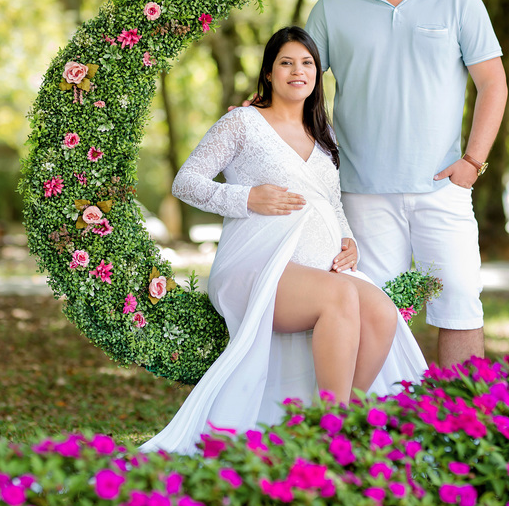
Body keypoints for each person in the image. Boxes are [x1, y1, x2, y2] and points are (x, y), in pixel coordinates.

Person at [141, 27, 427, 454]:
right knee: (338, 298)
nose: (298, 71)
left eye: (307, 63)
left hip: (317, 268)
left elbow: (329, 202)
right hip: (254, 266)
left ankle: (350, 417)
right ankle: (331, 435)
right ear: (269, 73)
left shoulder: (322, 134)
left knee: (383, 313)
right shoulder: (243, 122)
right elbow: (187, 182)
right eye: (287, 63)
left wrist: (349, 241)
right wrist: (247, 197)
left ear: (317, 74)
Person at [305, 0, 508, 369]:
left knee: (459, 304)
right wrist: (257, 113)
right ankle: (385, 426)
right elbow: (299, 80)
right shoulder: (333, 6)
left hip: (444, 188)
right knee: (374, 313)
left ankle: (463, 418)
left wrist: (472, 163)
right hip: (361, 192)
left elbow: (493, 84)